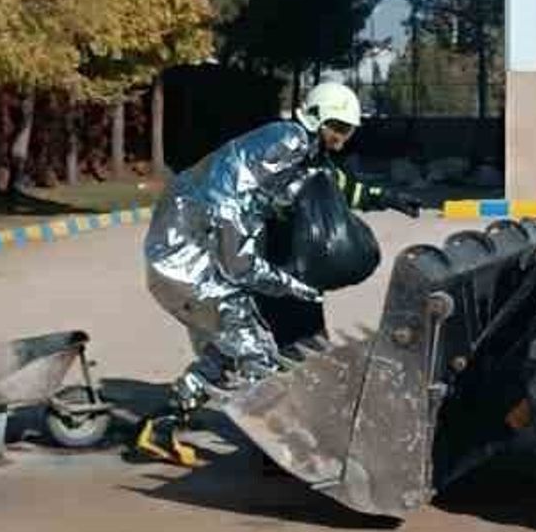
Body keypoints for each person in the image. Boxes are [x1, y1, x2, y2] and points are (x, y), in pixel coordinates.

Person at [136, 82, 421, 465]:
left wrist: (384, 197)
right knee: (258, 357)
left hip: (203, 253)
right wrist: (294, 286)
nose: (340, 138)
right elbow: (239, 256)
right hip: (191, 255)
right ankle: (280, 451)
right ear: (317, 117)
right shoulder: (286, 143)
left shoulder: (303, 151)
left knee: (230, 348)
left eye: (348, 130)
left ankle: (160, 428)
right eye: (336, 126)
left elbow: (330, 187)